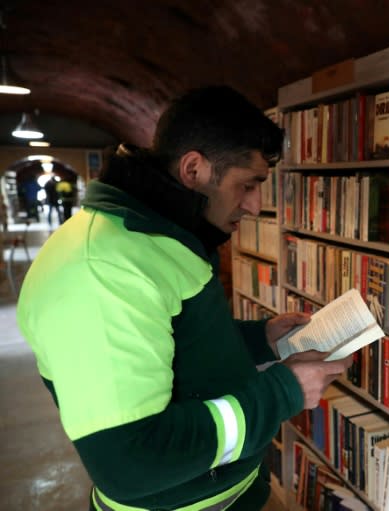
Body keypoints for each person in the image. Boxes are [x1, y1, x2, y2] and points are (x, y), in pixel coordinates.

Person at [17, 86, 352, 511]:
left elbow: (169, 341)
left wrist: (258, 338)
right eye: (247, 185)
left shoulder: (157, 235)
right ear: (194, 168)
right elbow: (131, 462)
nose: (255, 205)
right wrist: (284, 391)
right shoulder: (103, 270)